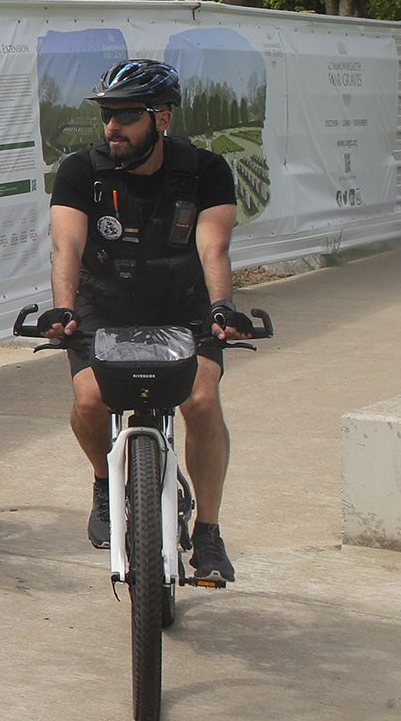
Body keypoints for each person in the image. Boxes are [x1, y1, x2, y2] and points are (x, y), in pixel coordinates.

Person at [36, 58, 249, 584]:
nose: (113, 126)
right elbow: (67, 247)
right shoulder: (80, 171)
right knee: (90, 401)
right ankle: (105, 481)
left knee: (201, 400)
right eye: (107, 114)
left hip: (184, 303)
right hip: (103, 303)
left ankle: (208, 531)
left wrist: (222, 307)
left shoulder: (205, 171)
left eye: (128, 114)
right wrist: (63, 308)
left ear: (162, 118)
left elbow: (214, 248)